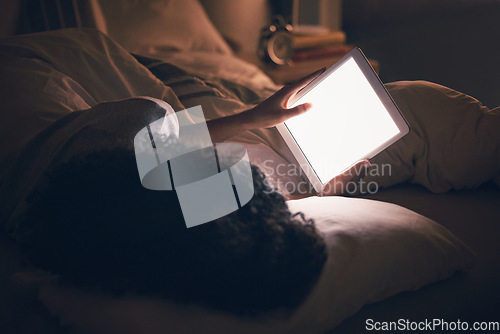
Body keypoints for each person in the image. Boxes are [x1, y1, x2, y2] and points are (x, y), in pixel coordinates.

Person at [12, 69, 368, 317]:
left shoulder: (118, 142)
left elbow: (157, 148)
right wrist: (318, 196)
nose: (237, 162)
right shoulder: (144, 225)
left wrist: (249, 118)